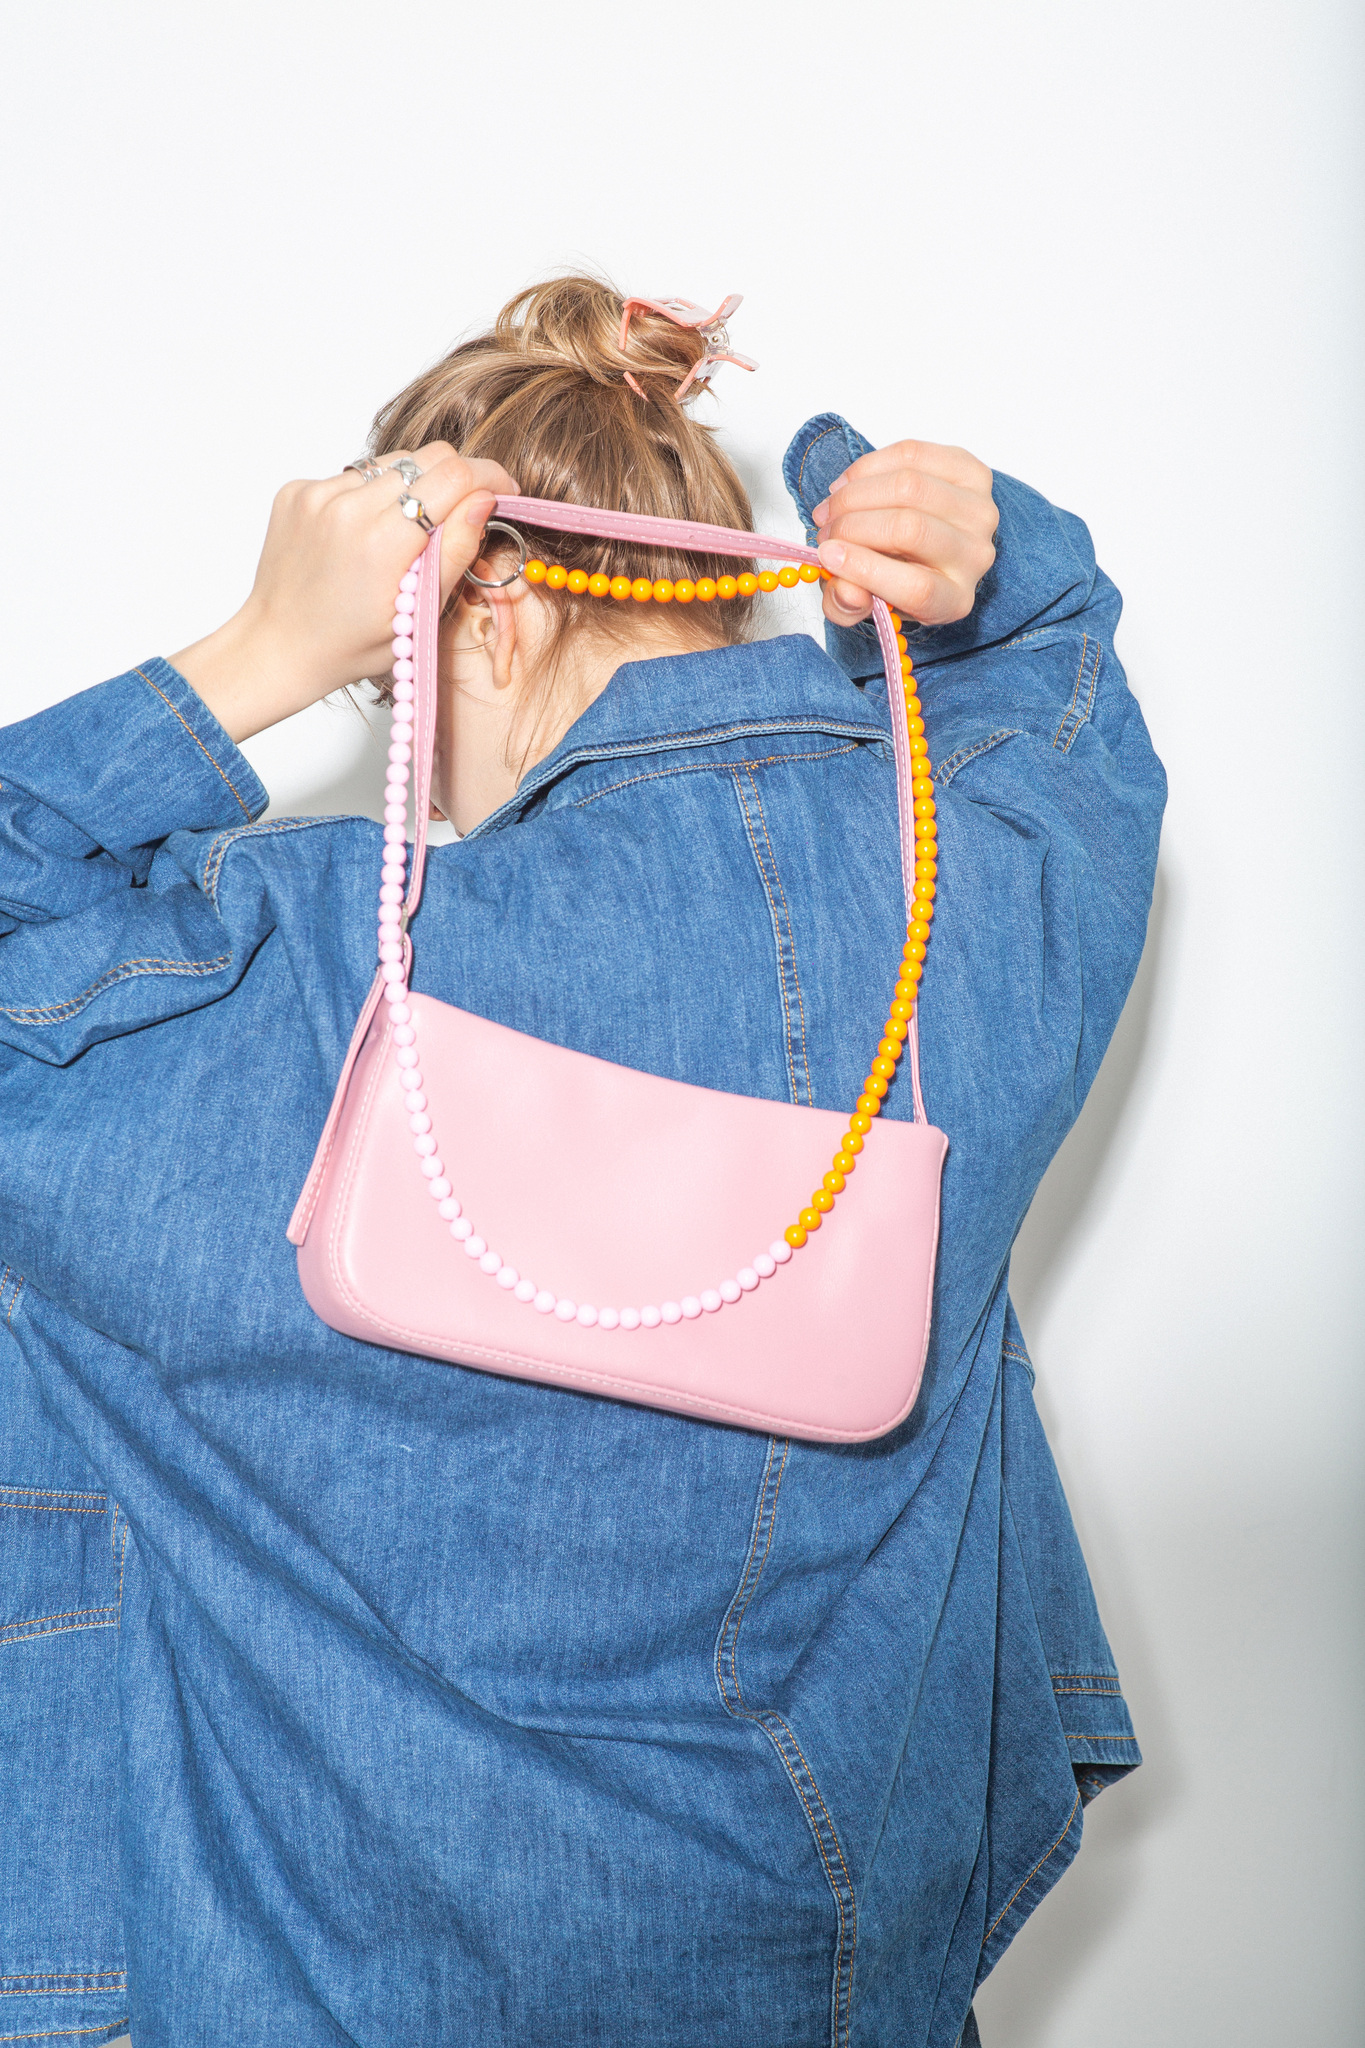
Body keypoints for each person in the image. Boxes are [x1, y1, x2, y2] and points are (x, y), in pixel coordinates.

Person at [0, 275, 1163, 2048]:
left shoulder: (278, 980)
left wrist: (252, 654)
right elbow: (1055, 700)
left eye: (386, 687)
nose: (411, 770)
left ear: (484, 606)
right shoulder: (971, 910)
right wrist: (988, 569)